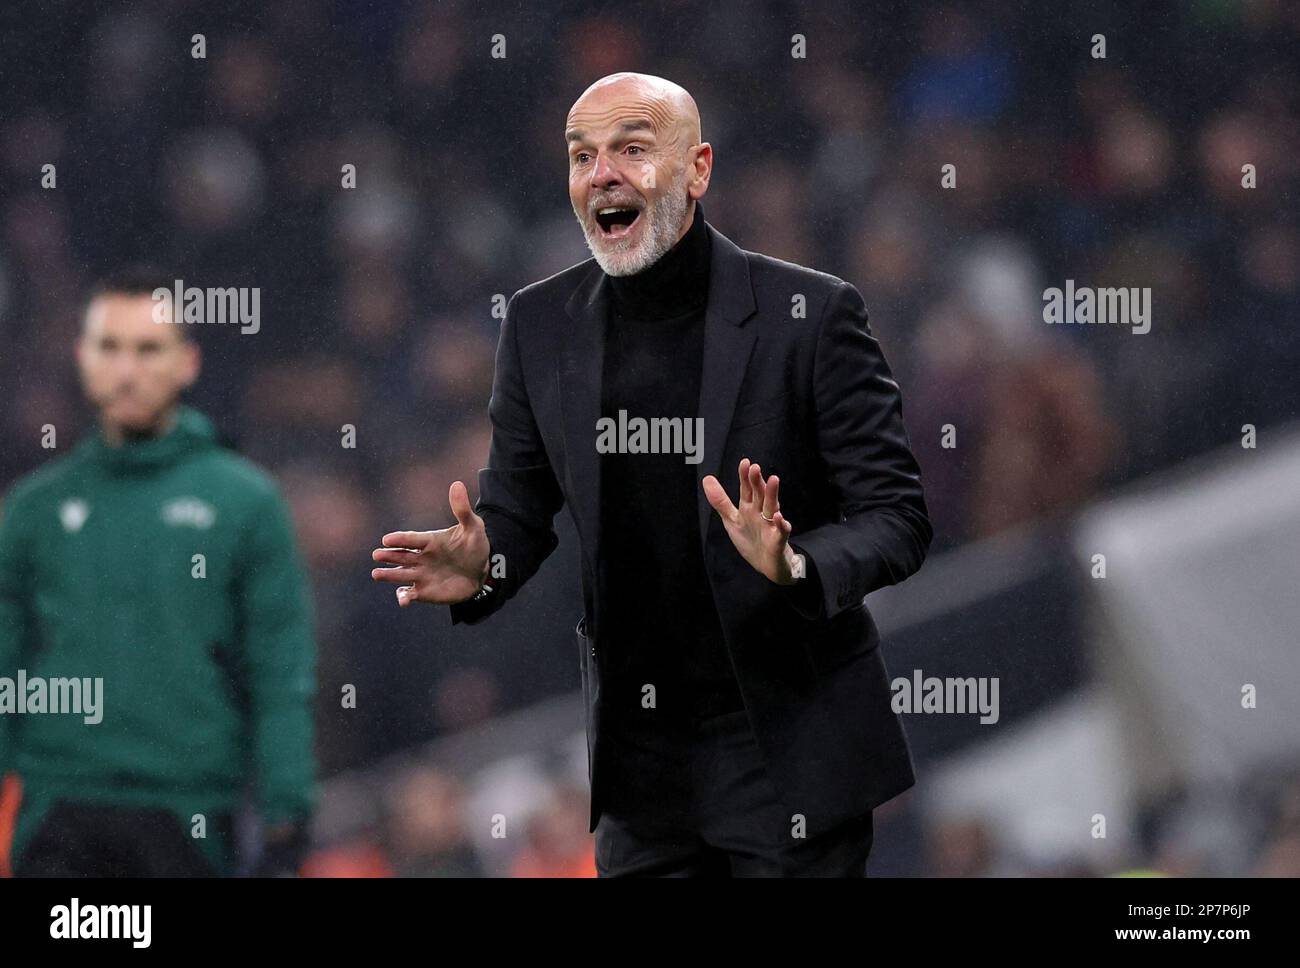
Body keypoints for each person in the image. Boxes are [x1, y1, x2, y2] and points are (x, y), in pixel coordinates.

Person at [371, 73, 932, 876]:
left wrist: (796, 563)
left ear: (697, 169)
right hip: (641, 775)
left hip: (788, 749)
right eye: (582, 156)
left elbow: (897, 517)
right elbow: (518, 513)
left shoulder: (811, 314)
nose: (602, 173)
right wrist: (483, 562)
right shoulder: (537, 325)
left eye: (632, 149)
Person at [0, 268, 318, 877]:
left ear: (187, 362)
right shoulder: (32, 510)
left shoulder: (245, 504)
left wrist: (288, 811)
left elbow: (281, 672)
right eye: (109, 348)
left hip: (188, 810)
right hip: (56, 808)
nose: (126, 370)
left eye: (148, 350)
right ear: (82, 358)